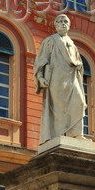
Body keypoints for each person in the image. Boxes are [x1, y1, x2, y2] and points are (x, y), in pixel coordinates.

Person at [33, 14, 86, 145]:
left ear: (69, 26)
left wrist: (79, 66)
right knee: (57, 108)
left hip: (72, 78)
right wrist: (40, 77)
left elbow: (78, 61)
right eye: (60, 21)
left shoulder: (72, 44)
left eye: (65, 22)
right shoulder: (50, 41)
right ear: (55, 25)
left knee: (79, 102)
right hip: (56, 80)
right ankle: (57, 135)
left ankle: (76, 133)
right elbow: (40, 61)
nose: (63, 24)